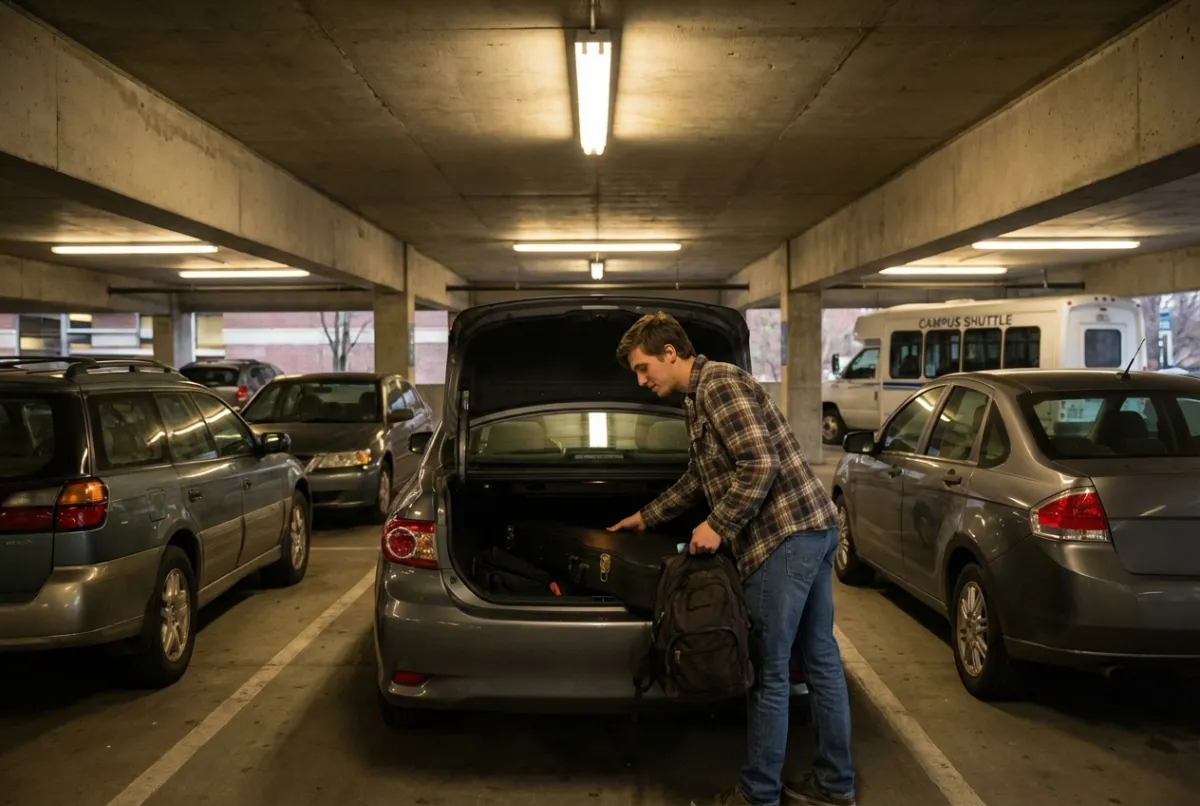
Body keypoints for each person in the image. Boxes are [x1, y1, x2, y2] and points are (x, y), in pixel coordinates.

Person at [608, 312, 856, 806]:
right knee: (821, 662)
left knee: (767, 671)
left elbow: (759, 463)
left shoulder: (719, 384)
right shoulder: (696, 398)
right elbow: (700, 478)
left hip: (783, 538)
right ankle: (836, 785)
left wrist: (717, 525)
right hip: (812, 527)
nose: (640, 380)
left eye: (642, 368)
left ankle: (758, 794)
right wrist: (645, 516)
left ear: (670, 354)